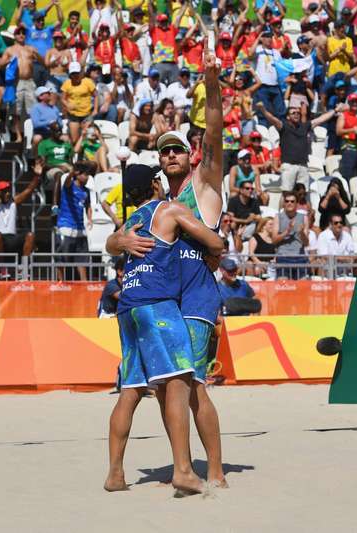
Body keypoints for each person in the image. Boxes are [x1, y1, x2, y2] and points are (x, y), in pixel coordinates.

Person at [107, 51, 227, 487]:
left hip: (195, 297)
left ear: (190, 155)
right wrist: (119, 240)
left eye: (178, 149)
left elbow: (214, 129)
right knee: (168, 387)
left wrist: (211, 83)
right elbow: (117, 239)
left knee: (191, 386)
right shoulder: (158, 207)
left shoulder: (204, 184)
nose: (171, 154)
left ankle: (209, 471)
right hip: (166, 299)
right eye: (165, 151)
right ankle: (188, 469)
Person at [105, 163, 224, 494]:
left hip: (127, 308)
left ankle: (115, 474)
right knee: (179, 382)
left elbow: (110, 243)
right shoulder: (168, 209)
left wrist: (118, 242)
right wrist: (214, 249)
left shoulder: (131, 223)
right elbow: (212, 241)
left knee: (130, 390)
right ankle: (183, 470)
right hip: (157, 305)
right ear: (155, 184)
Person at [256, 102, 340, 191]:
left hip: (303, 166)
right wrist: (262, 109)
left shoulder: (305, 126)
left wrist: (335, 110)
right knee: (286, 193)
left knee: (303, 194)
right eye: (293, 113)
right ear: (288, 117)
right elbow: (272, 119)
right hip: (289, 166)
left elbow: (321, 119)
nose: (296, 115)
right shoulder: (283, 127)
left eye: (298, 113)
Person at [0, 164, 38, 269]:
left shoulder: (13, 202)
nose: (8, 193)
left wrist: (37, 175)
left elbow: (28, 190)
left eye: (8, 191)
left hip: (10, 238)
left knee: (30, 235)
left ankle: (24, 267)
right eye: (4, 191)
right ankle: (2, 269)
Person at [54, 161, 92, 281]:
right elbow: (66, 182)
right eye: (85, 174)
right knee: (62, 258)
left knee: (82, 259)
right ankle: (60, 283)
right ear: (78, 174)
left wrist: (90, 218)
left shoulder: (86, 191)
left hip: (80, 229)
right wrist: (71, 173)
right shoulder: (69, 186)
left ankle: (84, 283)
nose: (87, 177)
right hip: (66, 227)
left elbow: (88, 206)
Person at [272, 191, 310, 279]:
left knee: (303, 286)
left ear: (296, 204)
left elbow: (306, 243)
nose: (289, 203)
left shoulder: (304, 217)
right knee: (283, 284)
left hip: (300, 257)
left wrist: (301, 233)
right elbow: (274, 240)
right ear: (284, 203)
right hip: (283, 257)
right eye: (287, 201)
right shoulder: (278, 217)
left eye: (292, 201)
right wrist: (287, 231)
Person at [61, 62, 96, 144]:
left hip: (86, 114)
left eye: (77, 73)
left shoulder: (88, 82)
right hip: (73, 115)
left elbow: (96, 95)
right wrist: (67, 104)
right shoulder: (67, 83)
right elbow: (62, 98)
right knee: (74, 140)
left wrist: (96, 109)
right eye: (73, 73)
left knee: (88, 138)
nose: (75, 75)